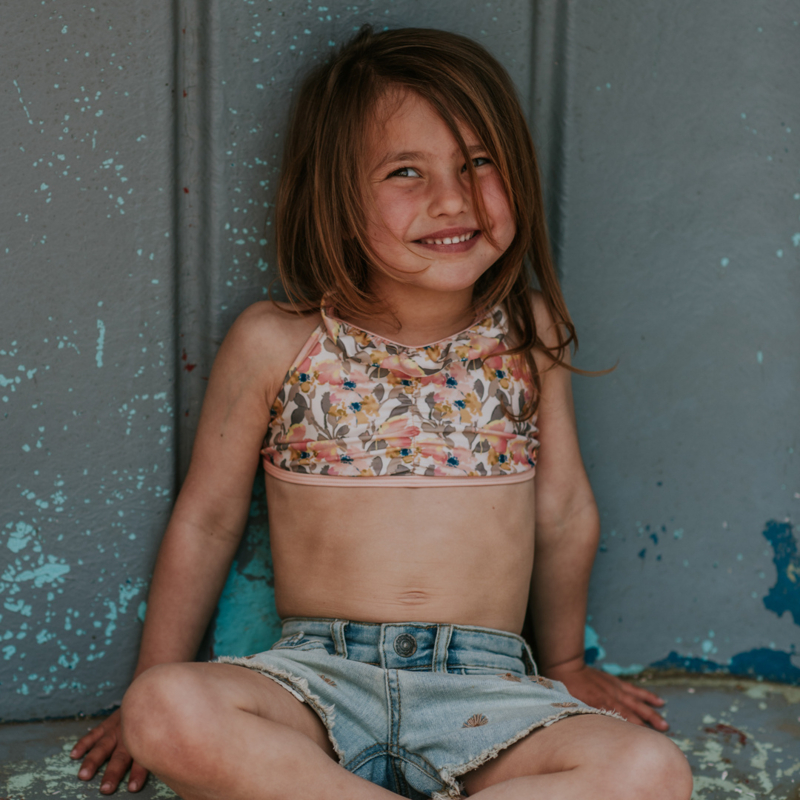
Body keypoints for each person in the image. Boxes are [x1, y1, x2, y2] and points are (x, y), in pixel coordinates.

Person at [70, 26, 692, 800]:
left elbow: (563, 512)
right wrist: (149, 678)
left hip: (487, 694)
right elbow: (207, 520)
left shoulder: (529, 335)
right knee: (163, 709)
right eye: (406, 171)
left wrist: (564, 665)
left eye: (478, 162)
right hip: (316, 684)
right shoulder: (276, 342)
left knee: (651, 772)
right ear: (337, 201)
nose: (453, 199)